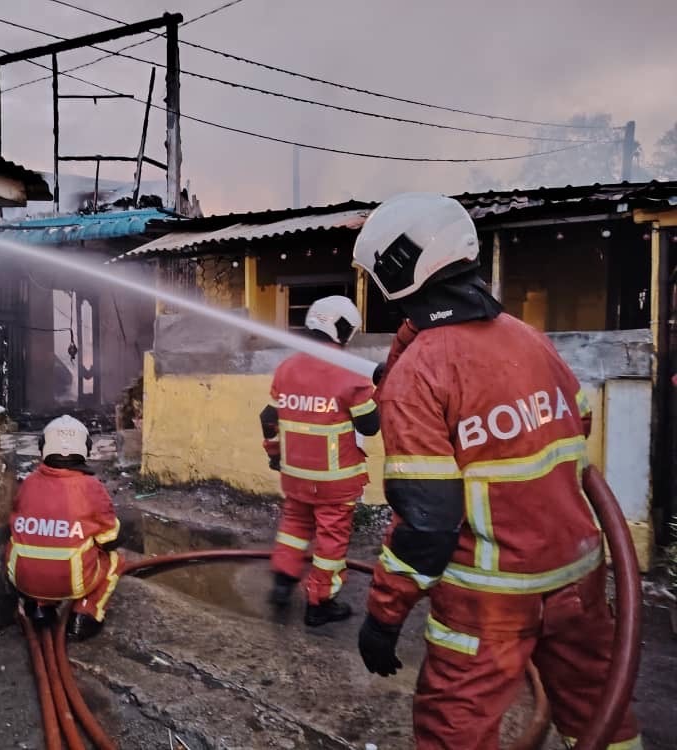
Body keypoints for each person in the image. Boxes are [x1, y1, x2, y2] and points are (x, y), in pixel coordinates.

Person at [351, 193, 641, 749]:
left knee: (454, 730)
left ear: (402, 266)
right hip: (578, 576)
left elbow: (429, 523)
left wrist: (384, 617)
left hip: (490, 598)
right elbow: (572, 430)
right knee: (601, 713)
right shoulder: (528, 338)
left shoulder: (421, 372)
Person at [260, 296, 380, 626]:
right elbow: (370, 424)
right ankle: (319, 604)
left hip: (295, 476)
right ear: (339, 328)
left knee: (294, 528)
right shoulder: (351, 373)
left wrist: (274, 455)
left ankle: (283, 583)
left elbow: (268, 417)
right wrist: (377, 390)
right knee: (331, 540)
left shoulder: (286, 369)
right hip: (335, 483)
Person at [6, 415, 121, 642]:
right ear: (85, 448)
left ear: (43, 448)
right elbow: (109, 538)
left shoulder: (28, 482)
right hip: (72, 581)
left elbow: (17, 521)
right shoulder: (91, 487)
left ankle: (38, 607)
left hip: (22, 580)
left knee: (23, 543)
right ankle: (85, 615)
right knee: (115, 560)